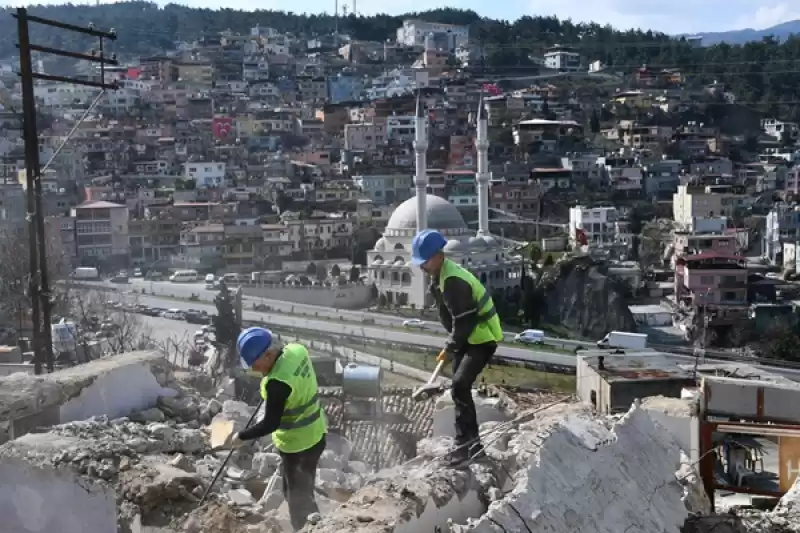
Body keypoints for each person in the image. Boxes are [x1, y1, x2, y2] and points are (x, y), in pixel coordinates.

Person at [411, 229, 504, 467]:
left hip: (481, 337)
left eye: (425, 262)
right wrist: (452, 345)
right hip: (468, 337)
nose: (422, 267)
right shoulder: (441, 276)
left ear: (438, 255)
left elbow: (464, 321)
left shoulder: (453, 281)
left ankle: (466, 446)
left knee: (460, 385)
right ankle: (471, 445)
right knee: (457, 389)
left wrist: (451, 347)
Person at [225, 327, 327, 531]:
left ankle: (308, 528)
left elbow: (270, 424)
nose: (257, 370)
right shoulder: (297, 350)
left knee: (300, 502)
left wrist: (241, 436)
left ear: (269, 355)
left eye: (256, 365)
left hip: (298, 446)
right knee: (297, 490)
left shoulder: (277, 384)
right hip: (316, 433)